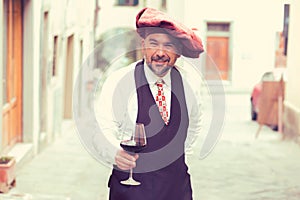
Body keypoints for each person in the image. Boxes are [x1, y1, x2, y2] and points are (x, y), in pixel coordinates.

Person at [93, 7, 204, 200]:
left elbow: (194, 126)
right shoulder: (120, 81)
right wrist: (115, 153)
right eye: (154, 43)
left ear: (178, 51)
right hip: (131, 188)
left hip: (176, 189)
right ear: (143, 44)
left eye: (169, 46)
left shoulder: (190, 84)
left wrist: (174, 158)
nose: (160, 52)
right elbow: (102, 128)